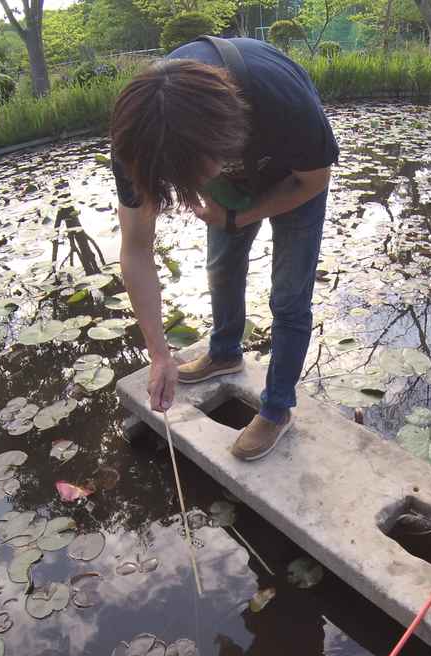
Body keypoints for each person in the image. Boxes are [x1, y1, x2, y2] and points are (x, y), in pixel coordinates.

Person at [109, 36, 338, 461]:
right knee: (221, 266)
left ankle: (276, 408)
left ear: (223, 143)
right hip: (229, 170)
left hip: (294, 178)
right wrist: (159, 353)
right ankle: (225, 352)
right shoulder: (139, 139)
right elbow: (136, 248)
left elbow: (314, 179)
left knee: (289, 296)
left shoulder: (280, 102)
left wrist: (238, 218)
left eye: (194, 176)